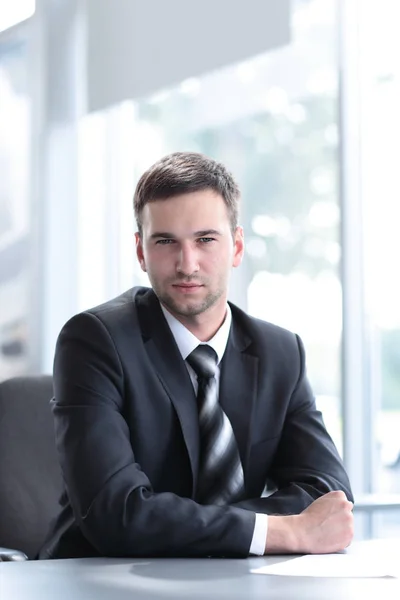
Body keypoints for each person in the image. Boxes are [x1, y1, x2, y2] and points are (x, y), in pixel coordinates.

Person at [39, 152, 354, 559]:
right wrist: (283, 532)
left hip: (232, 582)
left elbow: (328, 495)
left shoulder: (280, 353)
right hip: (104, 580)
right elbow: (115, 513)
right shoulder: (95, 341)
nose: (187, 264)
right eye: (165, 241)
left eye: (206, 240)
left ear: (237, 246)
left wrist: (189, 524)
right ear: (140, 252)